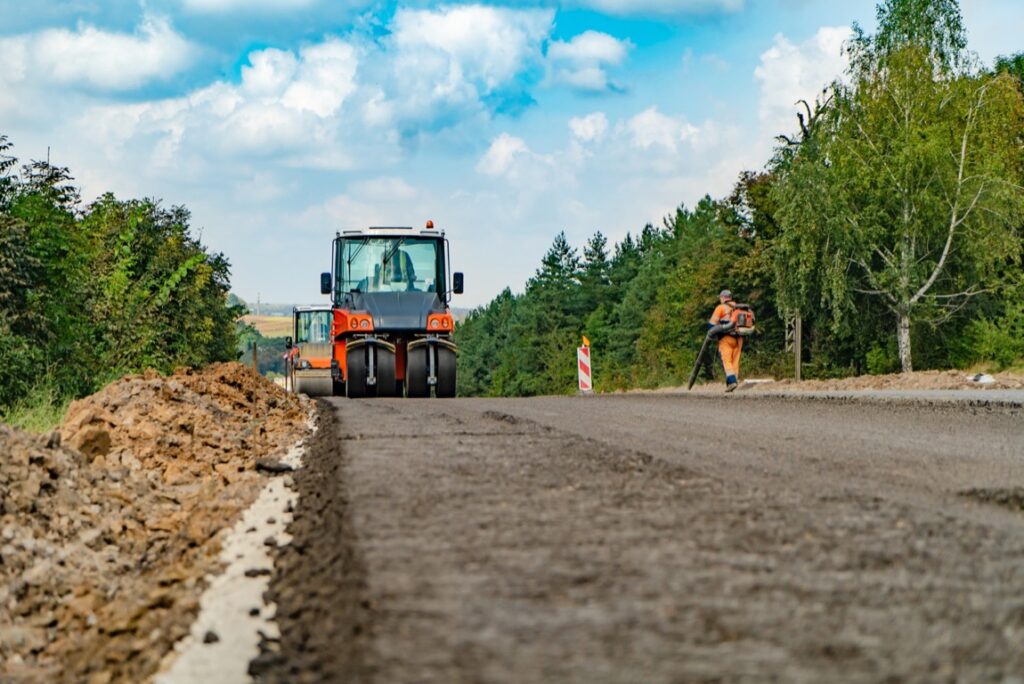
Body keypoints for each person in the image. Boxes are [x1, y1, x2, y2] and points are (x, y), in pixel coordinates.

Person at [709, 289, 742, 393]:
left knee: (727, 361)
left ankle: (732, 382)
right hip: (739, 338)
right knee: (735, 361)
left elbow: (711, 324)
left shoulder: (721, 307)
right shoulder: (738, 307)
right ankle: (733, 382)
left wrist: (713, 332)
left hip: (726, 338)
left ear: (723, 297)